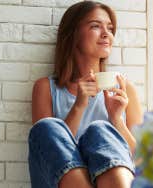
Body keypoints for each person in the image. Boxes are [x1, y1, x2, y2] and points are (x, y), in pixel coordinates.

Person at [27, 1, 143, 188]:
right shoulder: (45, 88)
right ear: (74, 34)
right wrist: (79, 106)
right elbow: (50, 154)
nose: (107, 34)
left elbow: (141, 161)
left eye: (110, 28)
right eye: (96, 26)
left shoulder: (124, 89)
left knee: (101, 130)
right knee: (47, 128)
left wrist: (116, 119)